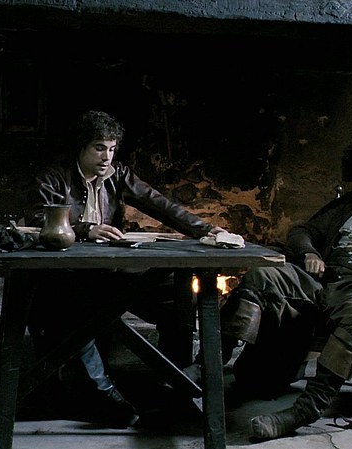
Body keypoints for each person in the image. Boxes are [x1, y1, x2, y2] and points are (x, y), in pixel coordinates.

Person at [212, 144, 352, 440]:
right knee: (262, 275)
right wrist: (309, 253)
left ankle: (304, 410)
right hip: (325, 275)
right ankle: (211, 365)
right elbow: (302, 231)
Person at [26, 110, 225, 428]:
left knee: (177, 299)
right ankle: (104, 396)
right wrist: (86, 229)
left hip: (109, 274)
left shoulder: (117, 174)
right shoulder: (53, 177)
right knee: (76, 309)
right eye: (99, 148)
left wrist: (206, 230)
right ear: (81, 147)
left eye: (111, 149)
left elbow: (159, 203)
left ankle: (173, 385)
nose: (107, 157)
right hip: (64, 278)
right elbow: (38, 220)